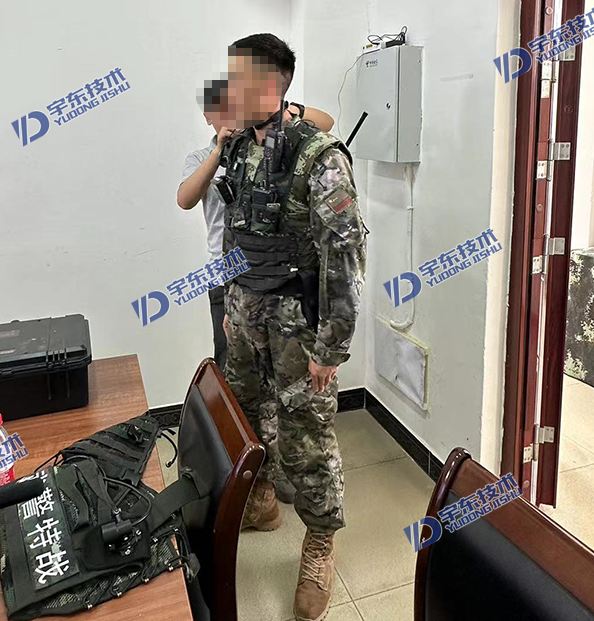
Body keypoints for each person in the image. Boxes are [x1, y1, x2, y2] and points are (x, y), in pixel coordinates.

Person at [215, 33, 367, 621]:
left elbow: (344, 258)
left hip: (298, 325)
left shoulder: (320, 157)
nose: (228, 90)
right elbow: (235, 234)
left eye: (238, 80)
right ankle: (260, 502)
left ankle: (320, 543)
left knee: (306, 436)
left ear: (271, 86)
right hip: (246, 316)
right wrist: (232, 305)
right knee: (248, 417)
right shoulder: (237, 149)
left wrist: (331, 348)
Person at [176, 94, 335, 505]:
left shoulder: (271, 147)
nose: (229, 116)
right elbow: (186, 198)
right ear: (208, 117)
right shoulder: (204, 157)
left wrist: (287, 110)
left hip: (279, 284)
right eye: (218, 111)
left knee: (286, 386)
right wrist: (219, 150)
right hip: (227, 280)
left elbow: (326, 123)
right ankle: (249, 476)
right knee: (240, 386)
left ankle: (282, 471)